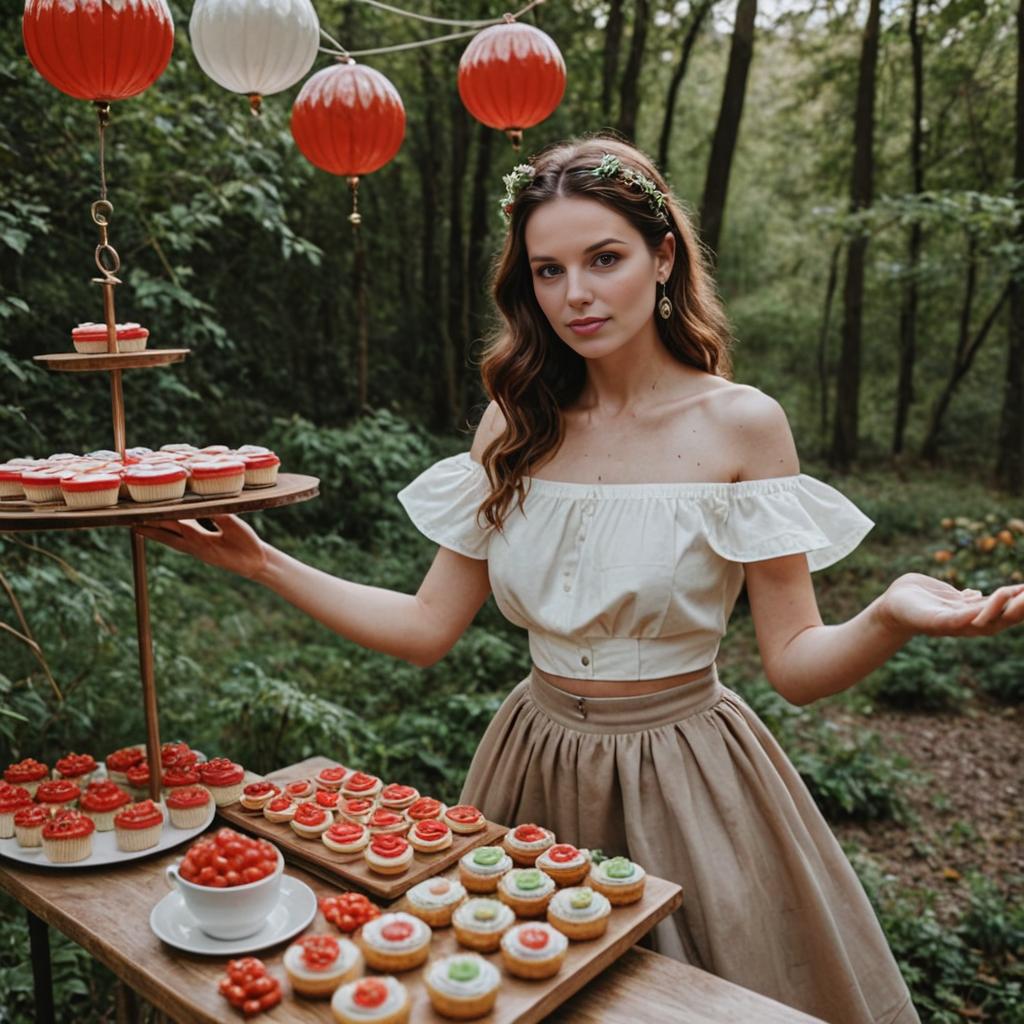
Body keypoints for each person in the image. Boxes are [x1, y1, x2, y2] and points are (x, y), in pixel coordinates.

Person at [139, 135, 1024, 1024]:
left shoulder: (743, 425)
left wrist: (889, 615)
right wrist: (261, 561)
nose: (576, 295)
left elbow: (794, 662)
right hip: (532, 764)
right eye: (548, 270)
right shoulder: (514, 422)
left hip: (691, 778)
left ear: (663, 255)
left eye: (604, 258)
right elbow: (424, 628)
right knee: (506, 989)